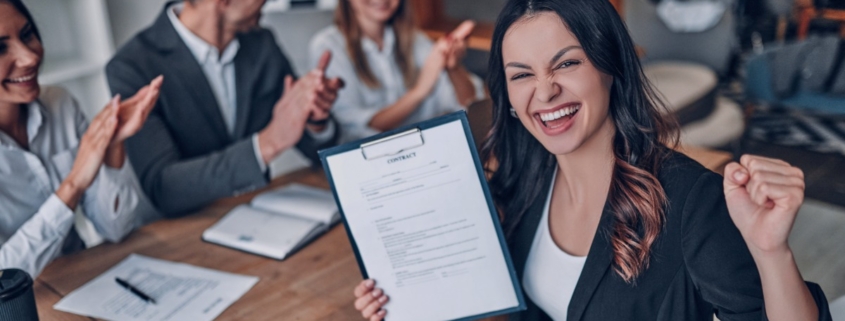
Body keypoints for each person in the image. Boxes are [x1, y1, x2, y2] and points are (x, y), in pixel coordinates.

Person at [351, 0, 833, 320]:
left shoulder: (692, 201)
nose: (545, 91)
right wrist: (401, 301)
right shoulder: (524, 182)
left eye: (566, 62)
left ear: (610, 66)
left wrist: (773, 254)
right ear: (511, 100)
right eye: (522, 75)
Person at [106, 0, 344, 216]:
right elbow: (163, 188)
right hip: (183, 235)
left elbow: (314, 149)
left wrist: (314, 118)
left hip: (262, 217)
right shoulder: (132, 67)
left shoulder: (262, 43)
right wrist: (267, 144)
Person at [0, 0, 162, 277]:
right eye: (0, 48)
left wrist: (111, 145)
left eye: (27, 34)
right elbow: (4, 276)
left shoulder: (59, 103)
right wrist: (73, 184)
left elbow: (116, 228)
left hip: (84, 279)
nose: (30, 57)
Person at [309, 0, 485, 142]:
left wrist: (453, 67)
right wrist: (420, 90)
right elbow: (365, 127)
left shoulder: (417, 41)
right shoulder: (328, 46)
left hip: (427, 154)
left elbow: (470, 103)